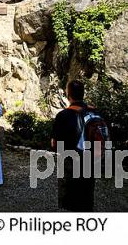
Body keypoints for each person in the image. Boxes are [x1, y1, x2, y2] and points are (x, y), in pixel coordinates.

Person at [51, 79, 96, 211]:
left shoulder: (63, 115)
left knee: (70, 201)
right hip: (91, 161)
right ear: (83, 93)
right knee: (87, 196)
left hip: (70, 162)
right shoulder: (93, 112)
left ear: (68, 94)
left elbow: (54, 144)